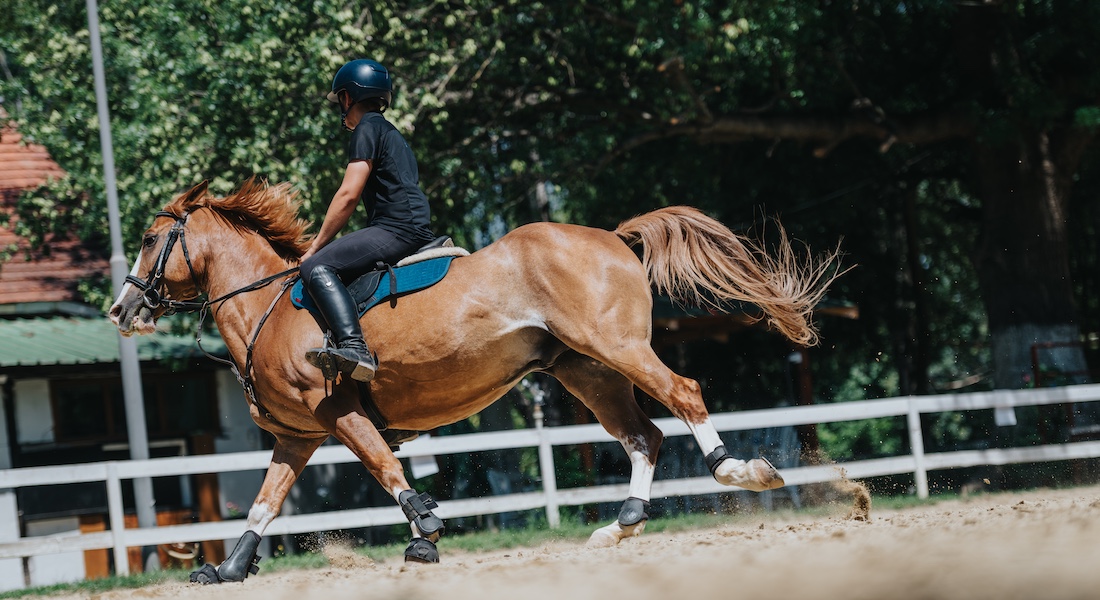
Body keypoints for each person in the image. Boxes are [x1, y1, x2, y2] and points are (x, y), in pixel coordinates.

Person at [299, 58, 436, 382]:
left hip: (397, 228)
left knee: (315, 267)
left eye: (340, 102)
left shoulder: (367, 128)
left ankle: (353, 347)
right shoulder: (390, 132)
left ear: (347, 98)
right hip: (413, 225)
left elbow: (348, 195)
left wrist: (315, 246)